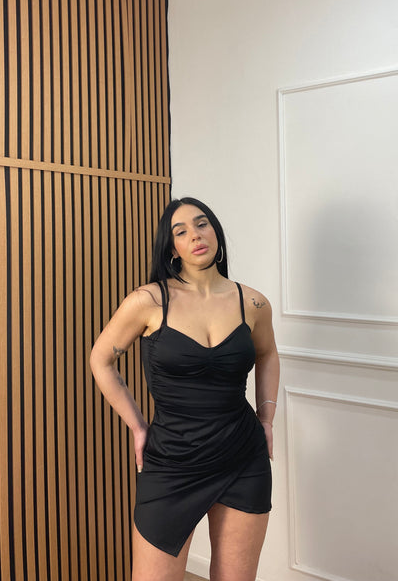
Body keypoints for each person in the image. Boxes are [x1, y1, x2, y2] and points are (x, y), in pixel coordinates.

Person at [90, 196, 280, 581]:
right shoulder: (147, 301)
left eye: (202, 223)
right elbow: (101, 360)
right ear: (172, 248)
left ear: (216, 232)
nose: (195, 235)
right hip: (172, 461)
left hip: (243, 456)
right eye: (181, 231)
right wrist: (138, 426)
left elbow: (268, 354)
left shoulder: (253, 302)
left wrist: (267, 418)